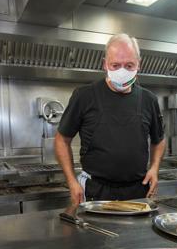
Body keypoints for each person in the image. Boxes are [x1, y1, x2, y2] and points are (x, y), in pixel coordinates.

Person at [55, 33, 166, 205]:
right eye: (115, 65)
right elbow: (62, 139)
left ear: (139, 65)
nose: (122, 71)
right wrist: (71, 182)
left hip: (138, 191)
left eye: (129, 65)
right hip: (96, 191)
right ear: (105, 64)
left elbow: (159, 140)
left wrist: (154, 168)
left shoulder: (148, 99)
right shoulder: (84, 96)